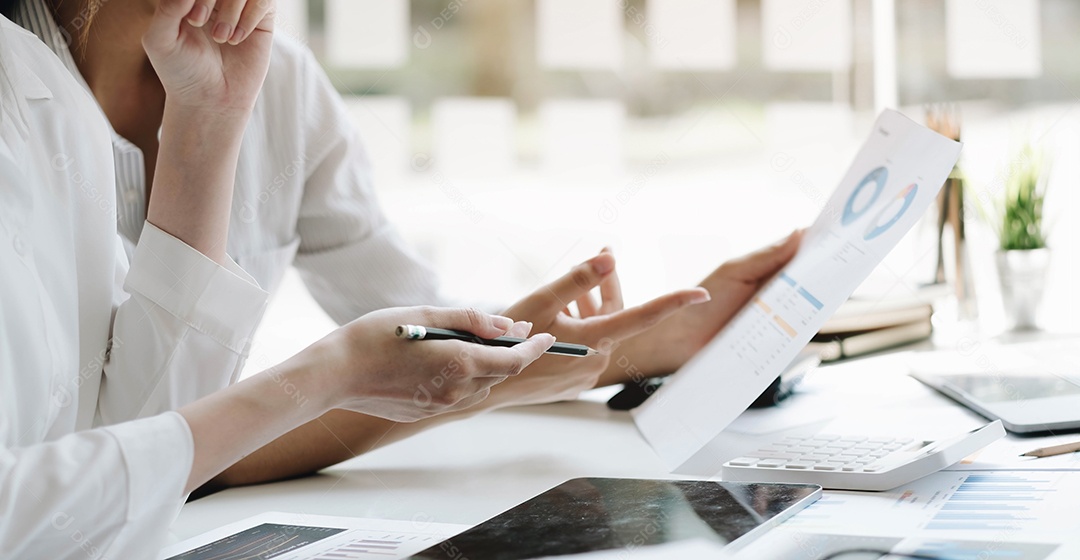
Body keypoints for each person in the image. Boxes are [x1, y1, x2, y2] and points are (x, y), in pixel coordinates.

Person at [0, 1, 721, 556]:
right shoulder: (37, 97)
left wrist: (208, 122)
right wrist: (332, 374)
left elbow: (139, 457)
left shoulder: (61, 107)